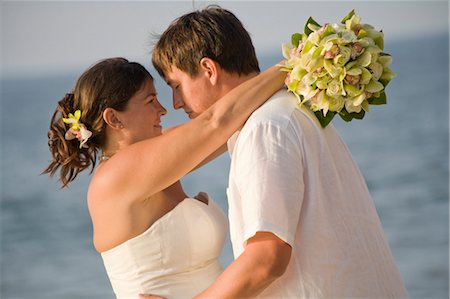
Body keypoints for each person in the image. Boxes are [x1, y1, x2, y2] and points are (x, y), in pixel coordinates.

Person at [143, 5, 409, 298]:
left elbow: (267, 256)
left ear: (208, 69)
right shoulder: (292, 111)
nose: (176, 103)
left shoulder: (264, 129)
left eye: (177, 85)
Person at [43, 57, 286, 298]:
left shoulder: (153, 160)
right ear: (114, 118)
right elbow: (215, 123)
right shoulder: (117, 175)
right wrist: (293, 65)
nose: (163, 109)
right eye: (150, 101)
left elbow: (229, 124)